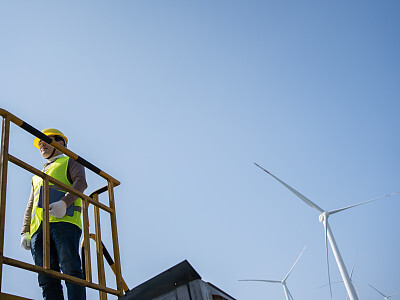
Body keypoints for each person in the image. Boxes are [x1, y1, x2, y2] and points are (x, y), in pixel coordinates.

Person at [20, 128, 87, 300]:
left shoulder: (70, 161)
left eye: (45, 140)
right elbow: (30, 205)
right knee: (46, 277)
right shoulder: (37, 176)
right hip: (38, 230)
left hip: (64, 222)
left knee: (70, 269)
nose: (41, 145)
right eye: (39, 143)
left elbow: (81, 182)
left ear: (61, 143)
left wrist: (64, 203)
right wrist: (25, 232)